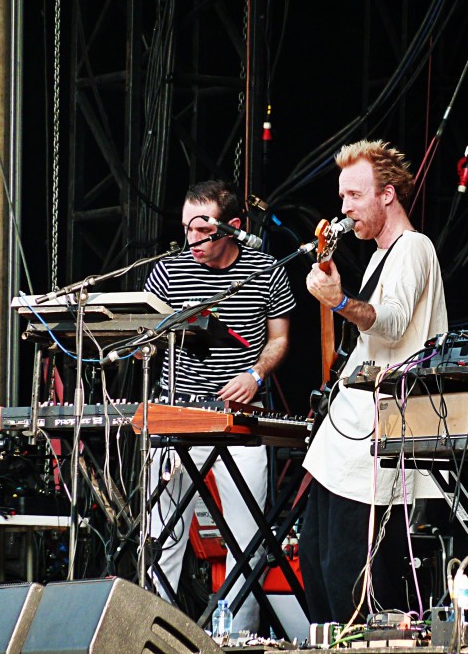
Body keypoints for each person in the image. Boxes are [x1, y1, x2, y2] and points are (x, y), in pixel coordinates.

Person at [301, 139, 448, 624]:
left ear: (387, 194)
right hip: (347, 438)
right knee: (317, 562)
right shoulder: (380, 255)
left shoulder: (414, 247)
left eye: (355, 195)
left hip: (376, 440)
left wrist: (341, 302)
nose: (345, 208)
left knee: (348, 577)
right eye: (342, 196)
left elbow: (393, 322)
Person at [144, 179, 295, 631]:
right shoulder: (168, 272)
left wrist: (255, 375)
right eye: (186, 228)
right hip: (177, 412)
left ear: (233, 226)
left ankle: (236, 638)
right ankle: (153, 634)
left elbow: (280, 338)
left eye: (202, 229)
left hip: (240, 416)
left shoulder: (266, 269)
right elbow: (146, 337)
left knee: (247, 539)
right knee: (162, 537)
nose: (192, 239)